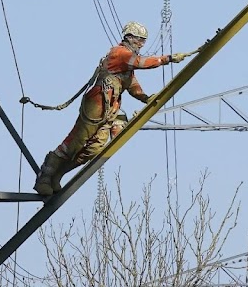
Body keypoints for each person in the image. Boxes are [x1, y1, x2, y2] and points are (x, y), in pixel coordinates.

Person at [33, 21, 195, 196]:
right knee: (76, 141)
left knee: (95, 148)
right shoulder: (120, 53)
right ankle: (45, 176)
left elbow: (132, 85)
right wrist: (167, 59)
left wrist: (145, 98)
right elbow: (140, 62)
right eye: (139, 40)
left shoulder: (126, 65)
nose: (141, 44)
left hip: (109, 107)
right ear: (129, 37)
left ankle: (57, 175)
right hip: (97, 104)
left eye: (143, 41)